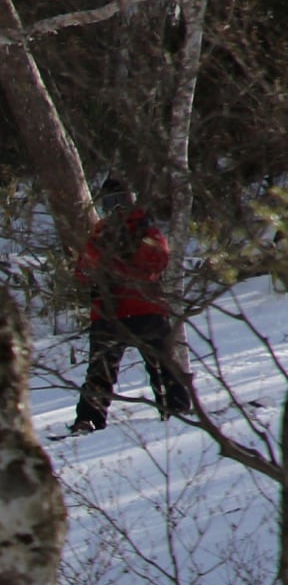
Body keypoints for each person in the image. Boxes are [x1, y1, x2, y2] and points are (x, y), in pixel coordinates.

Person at [70, 183, 194, 433]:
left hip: (108, 313)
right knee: (162, 365)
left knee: (100, 372)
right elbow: (157, 264)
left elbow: (82, 273)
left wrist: (107, 268)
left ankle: (89, 419)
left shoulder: (100, 235)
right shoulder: (148, 230)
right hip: (147, 310)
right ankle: (177, 412)